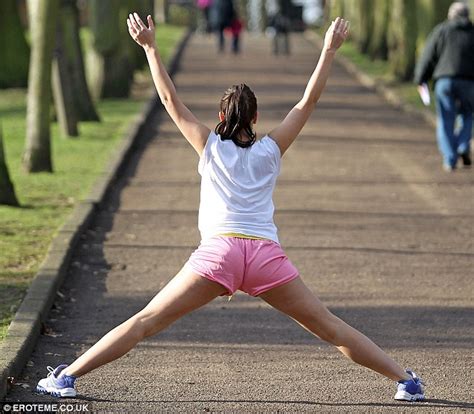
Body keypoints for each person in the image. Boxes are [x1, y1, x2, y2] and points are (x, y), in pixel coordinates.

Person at [36, 13, 425, 402]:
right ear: (255, 118)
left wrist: (150, 47)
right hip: (264, 257)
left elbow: (170, 100)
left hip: (217, 256)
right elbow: (307, 102)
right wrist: (328, 49)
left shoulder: (208, 146)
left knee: (144, 322)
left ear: (221, 117)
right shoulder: (271, 149)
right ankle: (405, 381)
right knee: (329, 327)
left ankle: (66, 377)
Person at [414, 1, 474, 172]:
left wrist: (420, 78)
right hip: (469, 82)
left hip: (444, 81)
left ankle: (450, 159)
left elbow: (428, 55)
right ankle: (463, 145)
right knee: (468, 114)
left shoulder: (442, 30)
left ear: (450, 15)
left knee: (446, 118)